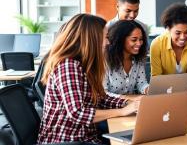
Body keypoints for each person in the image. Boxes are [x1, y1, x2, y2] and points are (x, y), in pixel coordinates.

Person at [38, 14, 138, 144]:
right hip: (67, 140)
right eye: (105, 37)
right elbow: (77, 113)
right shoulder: (68, 66)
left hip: (85, 136)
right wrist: (122, 111)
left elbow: (101, 98)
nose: (108, 42)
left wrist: (130, 103)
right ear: (92, 39)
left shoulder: (83, 65)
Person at [150, 3, 187, 80]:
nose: (182, 37)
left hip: (186, 89)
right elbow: (156, 76)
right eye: (178, 33)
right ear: (168, 29)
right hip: (163, 89)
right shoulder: (157, 44)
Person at [104, 20, 149, 100]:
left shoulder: (137, 59)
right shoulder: (104, 60)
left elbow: (141, 84)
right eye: (134, 40)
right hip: (110, 109)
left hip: (131, 105)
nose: (139, 43)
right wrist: (128, 98)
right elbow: (103, 93)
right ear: (120, 40)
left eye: (141, 39)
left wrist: (147, 89)